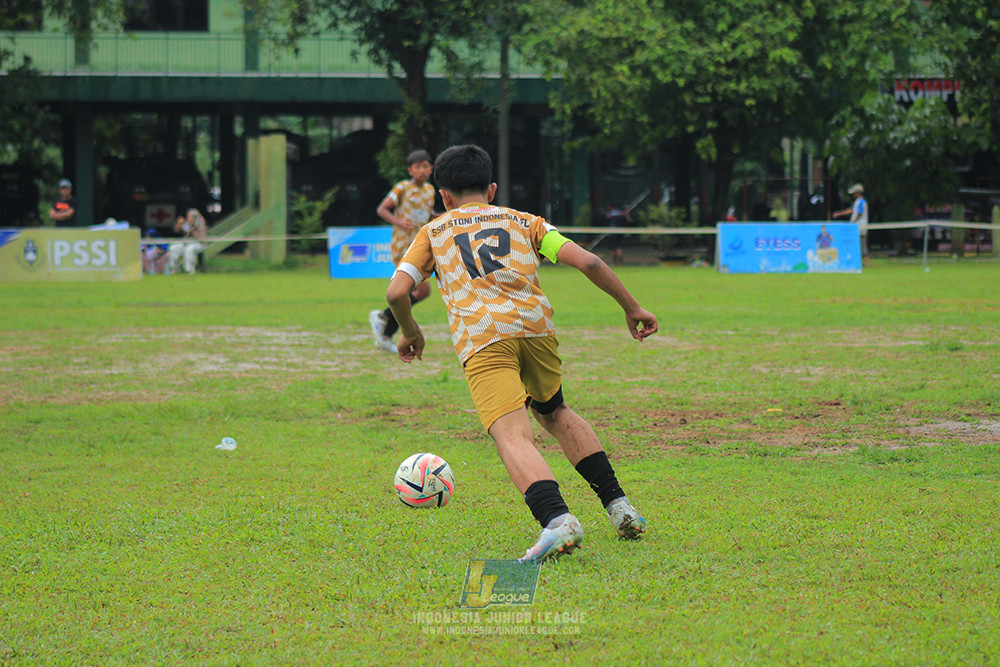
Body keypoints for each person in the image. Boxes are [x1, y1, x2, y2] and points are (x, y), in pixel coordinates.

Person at [386, 145, 658, 562]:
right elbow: (588, 263)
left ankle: (557, 520)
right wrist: (633, 307)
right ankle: (620, 507)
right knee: (555, 411)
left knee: (511, 434)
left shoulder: (433, 232)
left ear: (444, 196)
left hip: (484, 339)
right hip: (536, 330)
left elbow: (397, 291)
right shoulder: (524, 221)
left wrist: (410, 332)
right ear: (491, 189)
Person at [368, 149, 437, 353]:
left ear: (431, 169)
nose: (422, 170)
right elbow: (382, 209)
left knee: (415, 292)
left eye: (425, 166)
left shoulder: (430, 191)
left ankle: (384, 322)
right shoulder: (402, 188)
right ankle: (385, 326)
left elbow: (427, 216)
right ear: (410, 170)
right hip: (402, 246)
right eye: (418, 167)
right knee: (416, 290)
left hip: (420, 246)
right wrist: (399, 222)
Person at [833, 183, 868, 266]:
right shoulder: (857, 202)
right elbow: (852, 210)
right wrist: (840, 213)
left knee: (862, 244)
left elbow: (859, 214)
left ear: (857, 193)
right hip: (857, 226)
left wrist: (853, 223)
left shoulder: (861, 202)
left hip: (860, 226)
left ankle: (866, 262)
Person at [168, 208, 208, 274]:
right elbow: (176, 230)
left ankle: (189, 270)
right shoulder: (187, 224)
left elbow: (200, 238)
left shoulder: (201, 225)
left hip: (199, 244)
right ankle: (174, 269)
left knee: (189, 250)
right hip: (187, 243)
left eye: (190, 217)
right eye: (188, 216)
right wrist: (179, 223)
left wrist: (192, 231)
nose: (188, 218)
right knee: (173, 248)